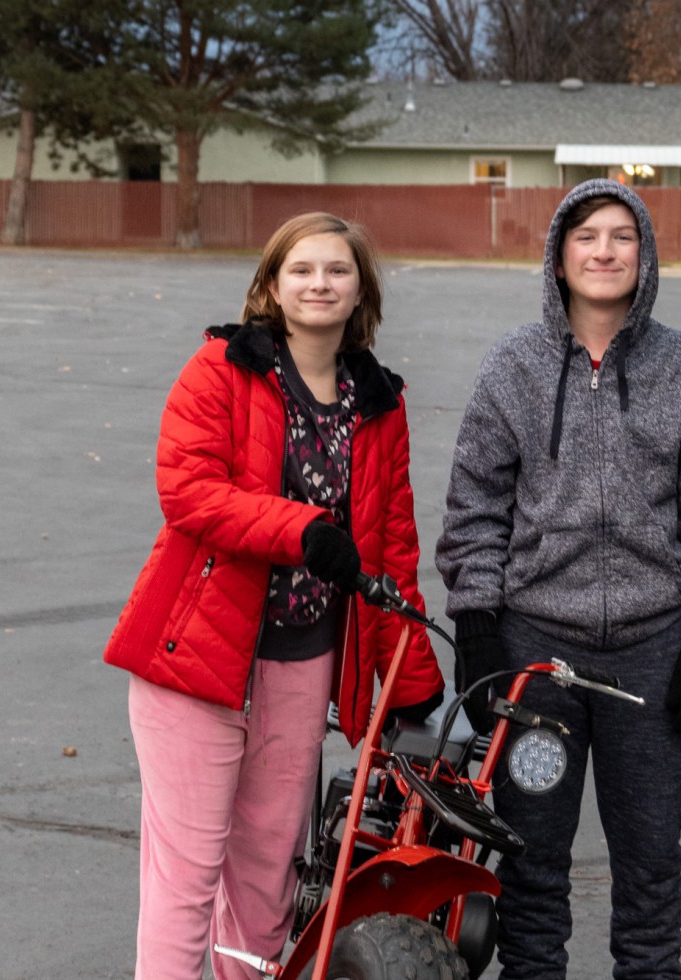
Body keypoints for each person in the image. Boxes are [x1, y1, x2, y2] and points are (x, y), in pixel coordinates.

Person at [104, 211, 444, 980]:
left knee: (268, 879)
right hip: (196, 657)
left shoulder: (379, 404)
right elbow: (187, 490)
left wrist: (411, 682)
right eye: (302, 269)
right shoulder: (222, 369)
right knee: (188, 879)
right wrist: (303, 531)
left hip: (303, 666)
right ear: (272, 285)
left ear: (361, 290)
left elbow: (392, 548)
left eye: (337, 270)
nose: (320, 283)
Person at [435, 179, 681, 979]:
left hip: (650, 658)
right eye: (586, 237)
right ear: (558, 256)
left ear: (645, 255)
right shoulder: (513, 366)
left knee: (650, 862)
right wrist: (476, 623)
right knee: (531, 859)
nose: (604, 252)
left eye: (622, 236)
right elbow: (475, 505)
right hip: (537, 660)